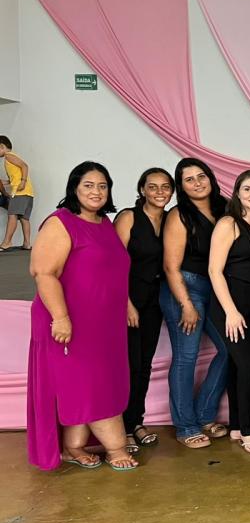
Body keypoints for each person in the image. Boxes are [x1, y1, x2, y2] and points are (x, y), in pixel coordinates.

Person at [27, 161, 137, 471]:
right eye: (89, 185)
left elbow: (112, 272)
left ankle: (73, 445)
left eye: (103, 186)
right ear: (74, 188)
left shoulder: (104, 224)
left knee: (94, 382)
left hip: (103, 323)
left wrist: (126, 304)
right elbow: (43, 272)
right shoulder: (60, 222)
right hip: (68, 321)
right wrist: (60, 317)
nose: (97, 191)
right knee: (91, 382)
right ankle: (115, 447)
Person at [160, 158, 230, 449]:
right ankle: (186, 425)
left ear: (211, 178)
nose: (197, 182)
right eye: (189, 179)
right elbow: (170, 266)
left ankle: (204, 414)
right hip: (185, 287)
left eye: (201, 176)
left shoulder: (225, 208)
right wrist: (186, 303)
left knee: (230, 349)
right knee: (186, 357)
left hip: (215, 288)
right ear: (181, 186)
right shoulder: (179, 215)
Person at [207, 170, 250, 454]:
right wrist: (231, 312)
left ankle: (236, 425)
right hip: (230, 306)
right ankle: (248, 430)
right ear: (237, 193)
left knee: (237, 365)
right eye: (248, 189)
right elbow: (214, 270)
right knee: (249, 365)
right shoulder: (228, 223)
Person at [113, 167, 174, 453]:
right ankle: (121, 429)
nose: (160, 192)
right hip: (126, 300)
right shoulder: (129, 217)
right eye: (153, 187)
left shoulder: (171, 220)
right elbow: (112, 264)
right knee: (127, 365)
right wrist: (126, 304)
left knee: (144, 365)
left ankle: (136, 421)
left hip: (153, 303)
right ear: (142, 190)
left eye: (165, 187)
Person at [0, 136, 34, 251]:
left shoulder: (9, 156)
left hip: (20, 192)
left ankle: (7, 242)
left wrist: (23, 181)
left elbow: (24, 166)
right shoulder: (12, 157)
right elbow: (15, 176)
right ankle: (27, 243)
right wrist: (6, 182)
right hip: (28, 193)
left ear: (2, 146)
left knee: (12, 215)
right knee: (24, 218)